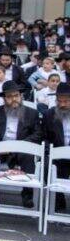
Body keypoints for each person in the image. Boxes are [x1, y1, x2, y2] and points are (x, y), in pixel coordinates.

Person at [0, 80, 43, 207]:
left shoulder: (31, 113)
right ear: (4, 98)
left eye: (16, 95)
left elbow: (38, 134)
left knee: (28, 157)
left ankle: (27, 196)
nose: (14, 99)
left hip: (22, 149)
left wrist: (21, 145)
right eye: (9, 96)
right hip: (0, 148)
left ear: (21, 96)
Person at [41, 82, 70, 212]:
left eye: (66, 101)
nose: (62, 104)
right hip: (56, 155)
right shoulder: (49, 114)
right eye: (60, 101)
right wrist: (51, 151)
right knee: (46, 165)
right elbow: (44, 137)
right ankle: (58, 200)